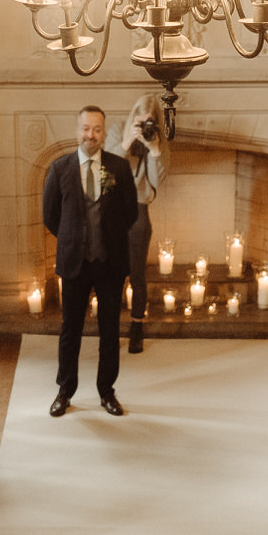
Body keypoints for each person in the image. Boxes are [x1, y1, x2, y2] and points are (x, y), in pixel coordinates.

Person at [43, 106, 138, 419]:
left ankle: (107, 392)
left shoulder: (119, 168)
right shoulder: (59, 169)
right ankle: (64, 391)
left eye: (97, 129)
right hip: (74, 263)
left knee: (109, 330)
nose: (90, 135)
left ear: (104, 132)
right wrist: (75, 239)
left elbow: (130, 213)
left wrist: (106, 236)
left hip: (110, 262)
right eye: (85, 128)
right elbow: (51, 217)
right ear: (77, 130)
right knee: (70, 329)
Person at [110, 94, 169, 355]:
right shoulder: (116, 132)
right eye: (139, 122)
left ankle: (137, 328)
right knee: (111, 274)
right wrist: (126, 142)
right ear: (131, 119)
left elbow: (157, 182)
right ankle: (110, 327)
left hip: (139, 211)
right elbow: (105, 173)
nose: (144, 127)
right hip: (112, 211)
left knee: (137, 275)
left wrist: (154, 149)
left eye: (149, 123)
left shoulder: (157, 141)